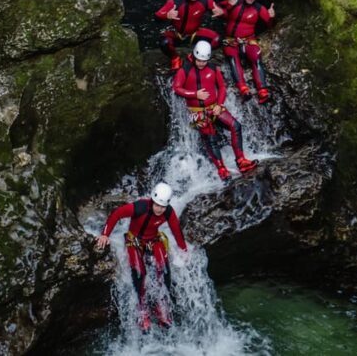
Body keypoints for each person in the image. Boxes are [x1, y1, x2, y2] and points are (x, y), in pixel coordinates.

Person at [95, 182, 187, 330]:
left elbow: (176, 230)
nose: (159, 209)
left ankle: (160, 305)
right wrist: (105, 234)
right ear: (152, 200)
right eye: (157, 205)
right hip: (134, 240)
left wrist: (184, 250)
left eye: (162, 207)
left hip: (154, 239)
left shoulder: (168, 212)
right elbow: (116, 214)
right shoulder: (140, 207)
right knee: (140, 272)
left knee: (164, 271)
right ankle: (142, 308)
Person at [173, 41, 258, 179]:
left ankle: (241, 160)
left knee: (235, 126)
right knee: (209, 136)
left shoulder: (213, 68)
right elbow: (176, 88)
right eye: (199, 60)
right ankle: (221, 169)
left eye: (204, 61)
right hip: (196, 112)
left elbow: (222, 88)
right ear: (194, 57)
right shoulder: (185, 70)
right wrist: (195, 94)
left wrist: (219, 104)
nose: (201, 63)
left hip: (214, 107)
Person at [219, 0, 275, 104]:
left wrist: (271, 17)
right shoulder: (235, 2)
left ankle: (262, 91)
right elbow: (217, 9)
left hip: (248, 41)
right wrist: (229, 5)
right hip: (231, 41)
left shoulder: (259, 9)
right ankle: (243, 89)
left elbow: (269, 25)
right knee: (233, 58)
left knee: (256, 56)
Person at [154, 0, 224, 70]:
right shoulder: (176, 0)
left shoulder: (205, 0)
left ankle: (193, 56)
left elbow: (221, 12)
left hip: (194, 34)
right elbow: (157, 17)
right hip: (176, 34)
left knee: (218, 39)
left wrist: (222, 12)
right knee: (164, 42)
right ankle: (175, 58)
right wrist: (167, 15)